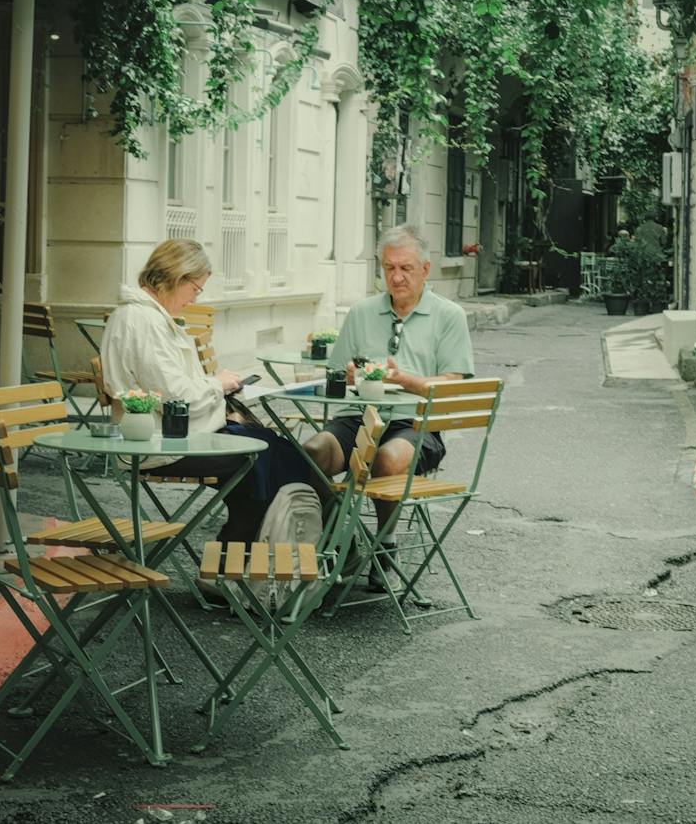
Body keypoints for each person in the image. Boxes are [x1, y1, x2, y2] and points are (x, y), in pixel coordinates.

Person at [101, 238, 319, 549]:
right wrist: (218, 386)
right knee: (261, 455)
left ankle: (246, 552)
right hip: (162, 446)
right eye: (196, 289)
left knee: (275, 451)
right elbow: (176, 396)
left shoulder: (146, 316)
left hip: (169, 435)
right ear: (178, 277)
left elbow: (172, 390)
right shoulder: (144, 321)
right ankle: (240, 555)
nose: (193, 300)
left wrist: (217, 395)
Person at [303, 224, 474, 580]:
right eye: (389, 268)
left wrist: (407, 381)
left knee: (386, 458)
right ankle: (343, 538)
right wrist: (349, 375)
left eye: (405, 268)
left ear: (425, 270)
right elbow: (338, 374)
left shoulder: (449, 316)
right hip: (360, 417)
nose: (396, 277)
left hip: (416, 424)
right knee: (313, 451)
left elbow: (454, 385)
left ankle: (386, 542)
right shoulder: (362, 313)